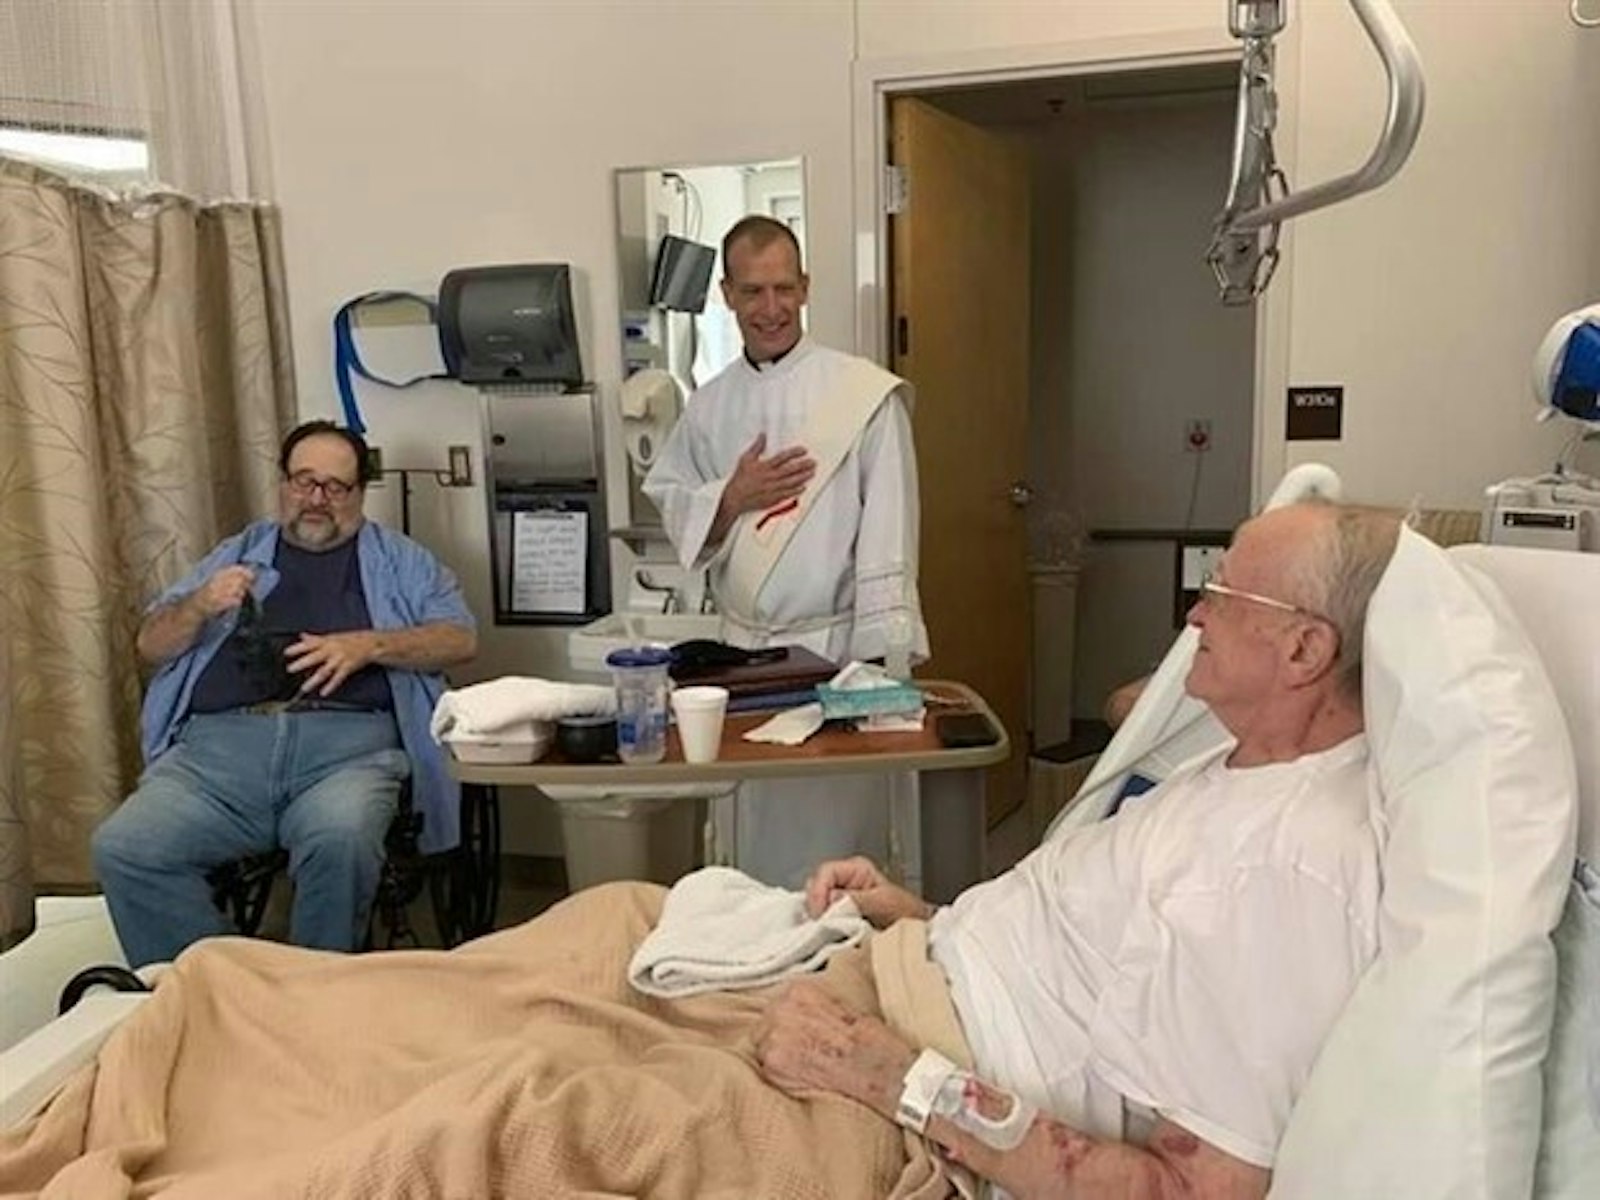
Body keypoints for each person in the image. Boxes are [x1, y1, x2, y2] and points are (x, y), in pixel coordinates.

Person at [753, 500, 1402, 1198]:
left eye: (1223, 591)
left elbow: (1190, 1191)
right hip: (913, 972)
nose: (1195, 615)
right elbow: (1095, 950)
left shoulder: (1284, 869)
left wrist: (892, 1077)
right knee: (622, 918)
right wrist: (916, 915)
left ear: (1305, 649)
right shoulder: (1242, 766)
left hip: (926, 1072)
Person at [92, 420, 477, 967]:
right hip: (218, 757)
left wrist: (369, 645)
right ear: (283, 485)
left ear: (360, 494)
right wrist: (200, 605)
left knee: (341, 838)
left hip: (345, 754)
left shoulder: (400, 560)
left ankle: (310, 1002)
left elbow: (461, 638)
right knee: (124, 847)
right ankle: (222, 987)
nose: (316, 499)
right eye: (304, 481)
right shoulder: (237, 552)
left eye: (335, 487)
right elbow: (151, 644)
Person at [643, 215, 928, 886]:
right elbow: (674, 501)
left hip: (833, 653)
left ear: (805, 288)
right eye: (751, 292)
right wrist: (731, 495)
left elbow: (891, 524)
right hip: (741, 656)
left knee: (834, 841)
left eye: (782, 289)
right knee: (751, 847)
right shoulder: (708, 407)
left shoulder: (863, 396)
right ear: (725, 295)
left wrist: (877, 660)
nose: (769, 309)